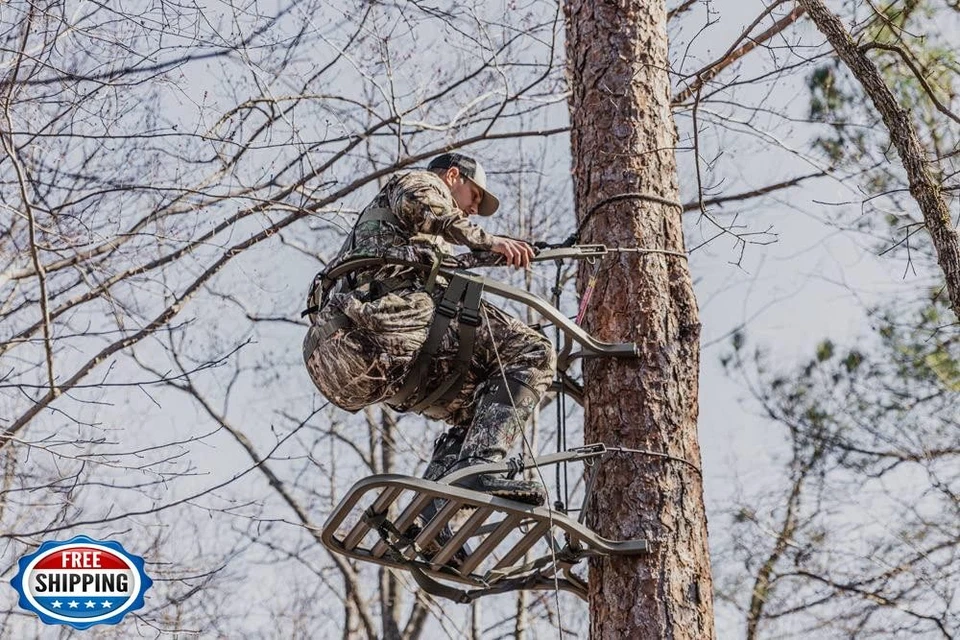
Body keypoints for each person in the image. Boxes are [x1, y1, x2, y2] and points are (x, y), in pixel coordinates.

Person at [302, 153, 556, 512]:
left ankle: (435, 505)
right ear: (453, 176)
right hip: (386, 323)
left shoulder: (414, 240)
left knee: (481, 405)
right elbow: (422, 203)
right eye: (475, 197)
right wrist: (488, 240)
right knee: (534, 351)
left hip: (372, 355)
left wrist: (512, 250)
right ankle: (479, 464)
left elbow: (444, 251)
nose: (472, 209)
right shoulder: (419, 184)